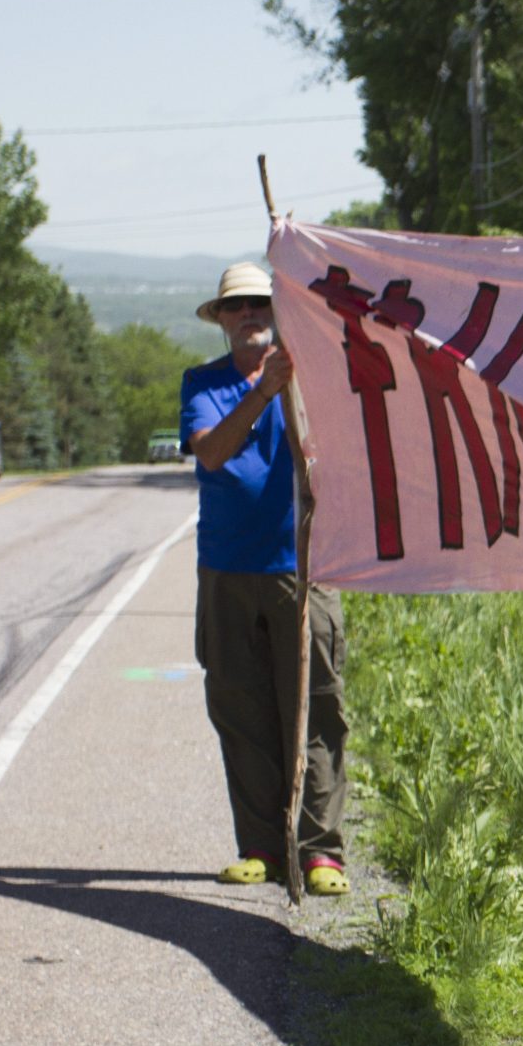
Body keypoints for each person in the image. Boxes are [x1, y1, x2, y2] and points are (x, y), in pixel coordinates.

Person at [181, 262, 349, 895]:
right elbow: (212, 451)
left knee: (318, 709)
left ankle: (320, 851)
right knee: (241, 708)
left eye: (260, 303)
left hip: (305, 566)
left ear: (277, 313)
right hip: (228, 569)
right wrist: (262, 390)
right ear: (222, 320)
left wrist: (294, 384)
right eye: (237, 307)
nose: (250, 314)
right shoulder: (204, 384)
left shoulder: (311, 378)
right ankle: (261, 846)